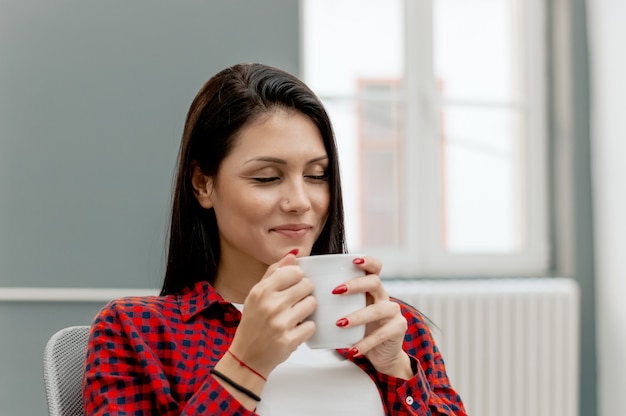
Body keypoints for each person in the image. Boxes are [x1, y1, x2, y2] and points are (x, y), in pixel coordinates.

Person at [82, 63, 466, 415]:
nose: (300, 202)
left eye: (317, 175)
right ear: (203, 183)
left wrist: (397, 368)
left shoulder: (392, 328)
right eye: (266, 177)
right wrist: (246, 364)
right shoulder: (138, 332)